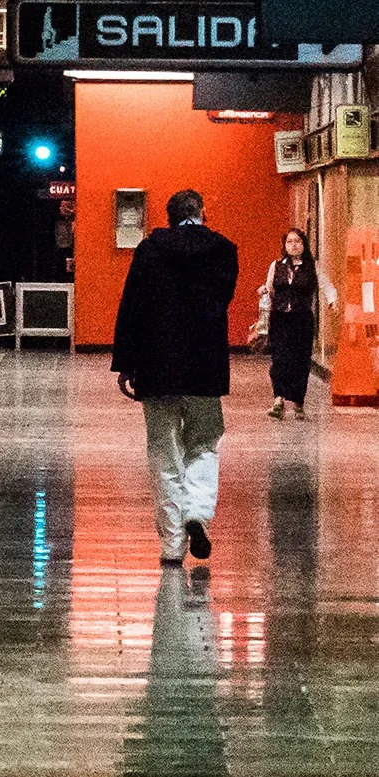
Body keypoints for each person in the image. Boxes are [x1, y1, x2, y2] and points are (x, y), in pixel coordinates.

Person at [112, 189, 239, 566]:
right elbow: (222, 301)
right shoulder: (223, 250)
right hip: (204, 367)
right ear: (202, 211)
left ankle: (172, 545)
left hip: (157, 366)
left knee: (164, 453)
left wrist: (125, 363)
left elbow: (132, 305)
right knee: (203, 445)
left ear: (168, 216)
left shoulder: (149, 250)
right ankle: (197, 512)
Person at [262, 228, 335, 421]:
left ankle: (298, 401)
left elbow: (326, 285)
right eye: (289, 242)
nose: (293, 245)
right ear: (284, 245)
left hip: (301, 319)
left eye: (297, 241)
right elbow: (269, 288)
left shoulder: (313, 266)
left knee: (300, 360)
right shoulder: (277, 265)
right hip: (279, 318)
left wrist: (331, 300)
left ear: (303, 244)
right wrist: (263, 291)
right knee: (279, 358)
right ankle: (278, 399)